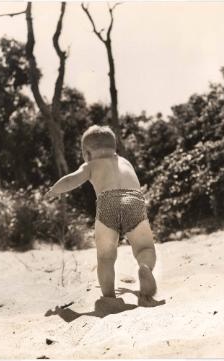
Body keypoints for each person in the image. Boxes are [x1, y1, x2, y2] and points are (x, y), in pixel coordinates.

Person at [45, 125, 157, 306]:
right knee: (145, 248)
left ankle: (109, 297)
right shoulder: (125, 162)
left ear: (87, 153)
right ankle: (145, 267)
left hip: (108, 203)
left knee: (105, 257)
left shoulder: (90, 165)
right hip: (134, 201)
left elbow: (71, 180)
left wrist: (54, 190)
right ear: (115, 149)